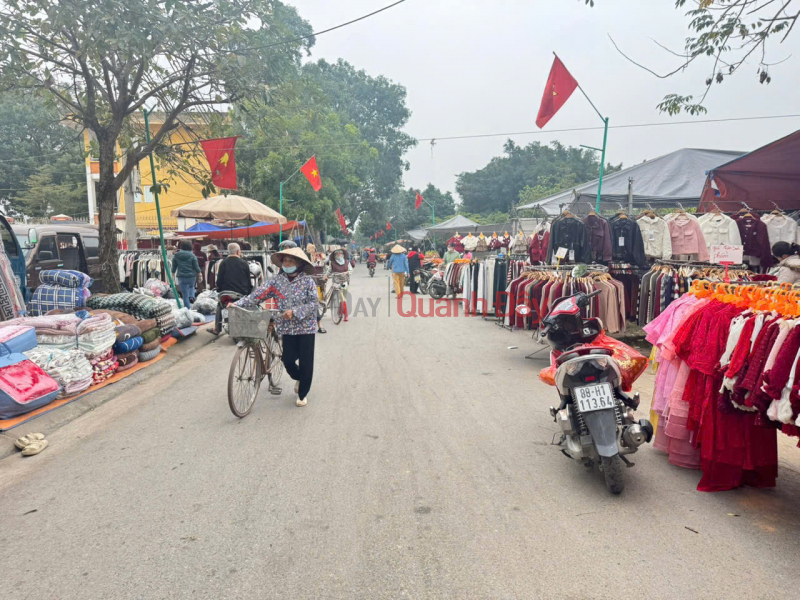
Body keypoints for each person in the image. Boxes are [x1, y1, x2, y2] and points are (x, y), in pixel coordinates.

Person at [235, 247, 318, 407]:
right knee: (287, 360)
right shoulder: (276, 281)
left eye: (290, 261)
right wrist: (237, 304)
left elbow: (314, 303)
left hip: (306, 327)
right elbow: (256, 296)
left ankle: (302, 394)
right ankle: (300, 377)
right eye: (285, 261)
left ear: (299, 264)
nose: (287, 264)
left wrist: (294, 311)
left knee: (306, 362)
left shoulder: (308, 281)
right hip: (286, 327)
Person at [208, 243, 254, 335]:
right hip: (240, 293)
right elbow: (248, 281)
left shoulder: (223, 263)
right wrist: (249, 292)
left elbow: (219, 280)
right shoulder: (244, 263)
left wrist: (219, 288)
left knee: (220, 305)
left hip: (226, 293)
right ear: (238, 251)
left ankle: (217, 328)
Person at [171, 240, 201, 308]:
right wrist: (199, 274)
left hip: (181, 277)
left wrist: (172, 274)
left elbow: (174, 267)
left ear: (181, 246)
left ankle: (188, 309)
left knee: (185, 295)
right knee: (191, 286)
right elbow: (196, 267)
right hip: (191, 276)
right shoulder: (193, 255)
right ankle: (192, 296)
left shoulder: (176, 255)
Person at [327, 248, 352, 321]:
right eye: (337, 254)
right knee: (342, 298)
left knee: (343, 298)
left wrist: (346, 272)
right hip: (336, 282)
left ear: (343, 255)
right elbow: (329, 271)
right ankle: (346, 315)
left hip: (345, 281)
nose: (338, 255)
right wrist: (326, 276)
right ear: (334, 255)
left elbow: (350, 270)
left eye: (340, 253)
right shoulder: (332, 263)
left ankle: (340, 312)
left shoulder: (347, 262)